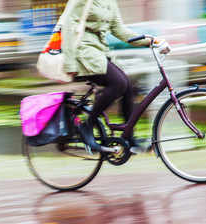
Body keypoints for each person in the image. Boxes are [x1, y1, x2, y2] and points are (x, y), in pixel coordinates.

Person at [61, 0, 151, 152]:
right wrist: (70, 63)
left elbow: (118, 29)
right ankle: (88, 125)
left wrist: (147, 40)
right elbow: (68, 26)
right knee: (118, 83)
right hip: (83, 49)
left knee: (128, 86)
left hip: (100, 49)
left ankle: (129, 138)